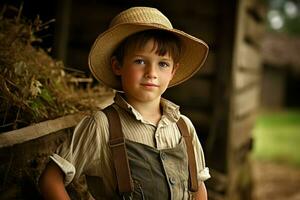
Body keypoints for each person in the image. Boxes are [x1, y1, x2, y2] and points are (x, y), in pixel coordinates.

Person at [38, 6, 210, 200]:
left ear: (173, 71)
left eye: (162, 63)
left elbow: (198, 188)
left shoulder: (184, 127)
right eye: (140, 61)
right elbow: (50, 179)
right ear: (117, 66)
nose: (151, 73)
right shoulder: (103, 125)